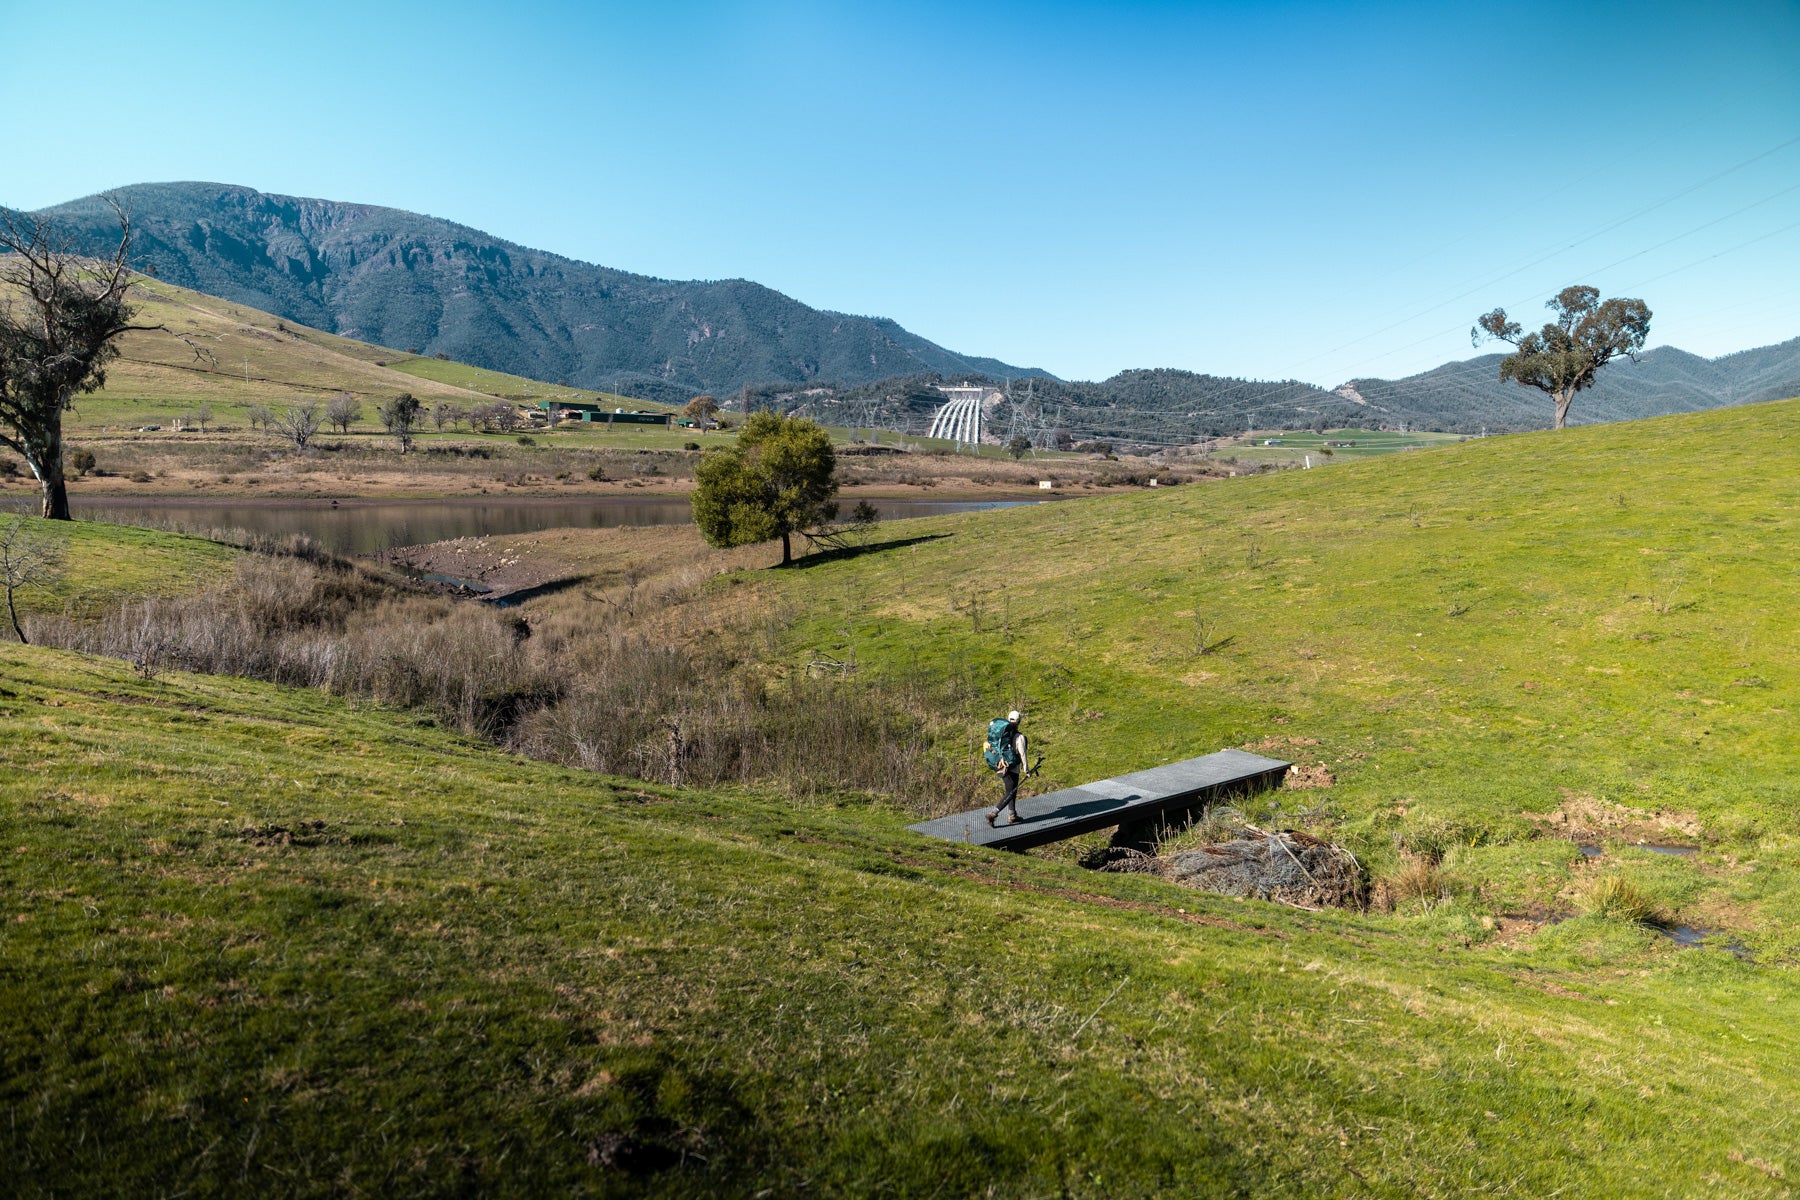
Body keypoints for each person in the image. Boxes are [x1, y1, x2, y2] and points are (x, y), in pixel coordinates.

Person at [984, 710, 1030, 827]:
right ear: (1019, 721)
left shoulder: (1002, 734)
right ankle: (993, 814)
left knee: (1012, 790)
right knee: (1010, 792)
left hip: (1000, 765)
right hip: (1012, 768)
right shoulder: (1019, 737)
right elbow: (1023, 754)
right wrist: (1027, 770)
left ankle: (1012, 815)